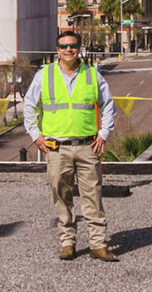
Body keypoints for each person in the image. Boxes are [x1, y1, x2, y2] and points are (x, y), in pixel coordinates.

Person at [24, 30, 118, 262]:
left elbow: (108, 105)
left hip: (88, 147)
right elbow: (29, 106)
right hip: (56, 148)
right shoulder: (44, 75)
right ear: (57, 50)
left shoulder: (92, 74)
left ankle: (98, 244)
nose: (68, 50)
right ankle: (68, 242)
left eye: (73, 46)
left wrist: (104, 134)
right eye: (64, 46)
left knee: (93, 196)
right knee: (61, 193)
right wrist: (37, 136)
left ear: (79, 48)